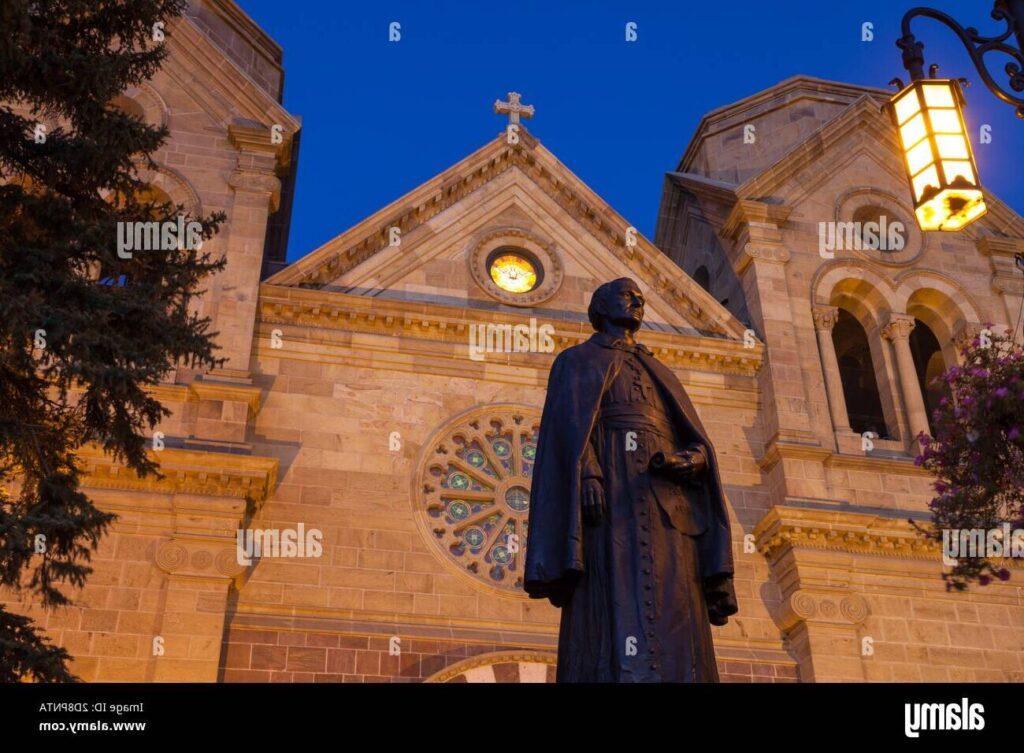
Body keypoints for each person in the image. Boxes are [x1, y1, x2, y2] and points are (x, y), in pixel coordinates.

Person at [524, 277, 737, 682]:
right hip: (612, 494)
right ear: (601, 307)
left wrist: (692, 458)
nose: (638, 301)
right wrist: (588, 472)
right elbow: (570, 426)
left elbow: (694, 436)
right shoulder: (577, 361)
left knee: (677, 602)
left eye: (641, 297)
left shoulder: (658, 368)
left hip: (666, 506)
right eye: (627, 296)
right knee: (613, 590)